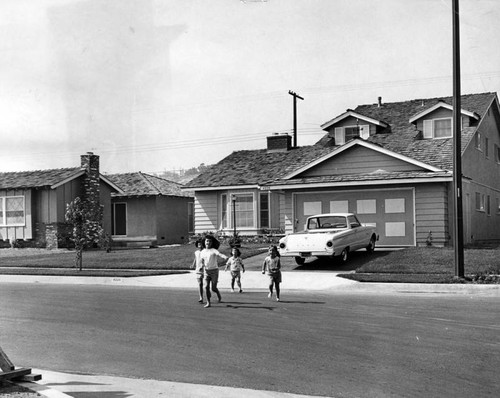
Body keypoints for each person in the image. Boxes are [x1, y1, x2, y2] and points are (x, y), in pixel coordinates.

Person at [200, 235, 228, 308]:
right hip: (206, 271)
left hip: (214, 271)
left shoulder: (213, 250)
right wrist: (201, 266)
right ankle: (208, 302)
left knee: (213, 288)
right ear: (204, 242)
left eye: (210, 241)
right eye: (207, 241)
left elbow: (219, 254)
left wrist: (224, 256)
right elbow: (202, 261)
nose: (208, 242)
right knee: (206, 287)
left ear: (212, 243)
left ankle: (218, 294)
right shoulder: (202, 252)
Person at [191, 239, 204, 303]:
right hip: (198, 269)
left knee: (206, 284)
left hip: (205, 269)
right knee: (200, 283)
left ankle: (208, 294)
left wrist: (203, 266)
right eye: (198, 244)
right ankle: (201, 297)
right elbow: (195, 259)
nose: (200, 245)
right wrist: (193, 265)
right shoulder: (196, 252)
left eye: (201, 243)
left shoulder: (205, 251)